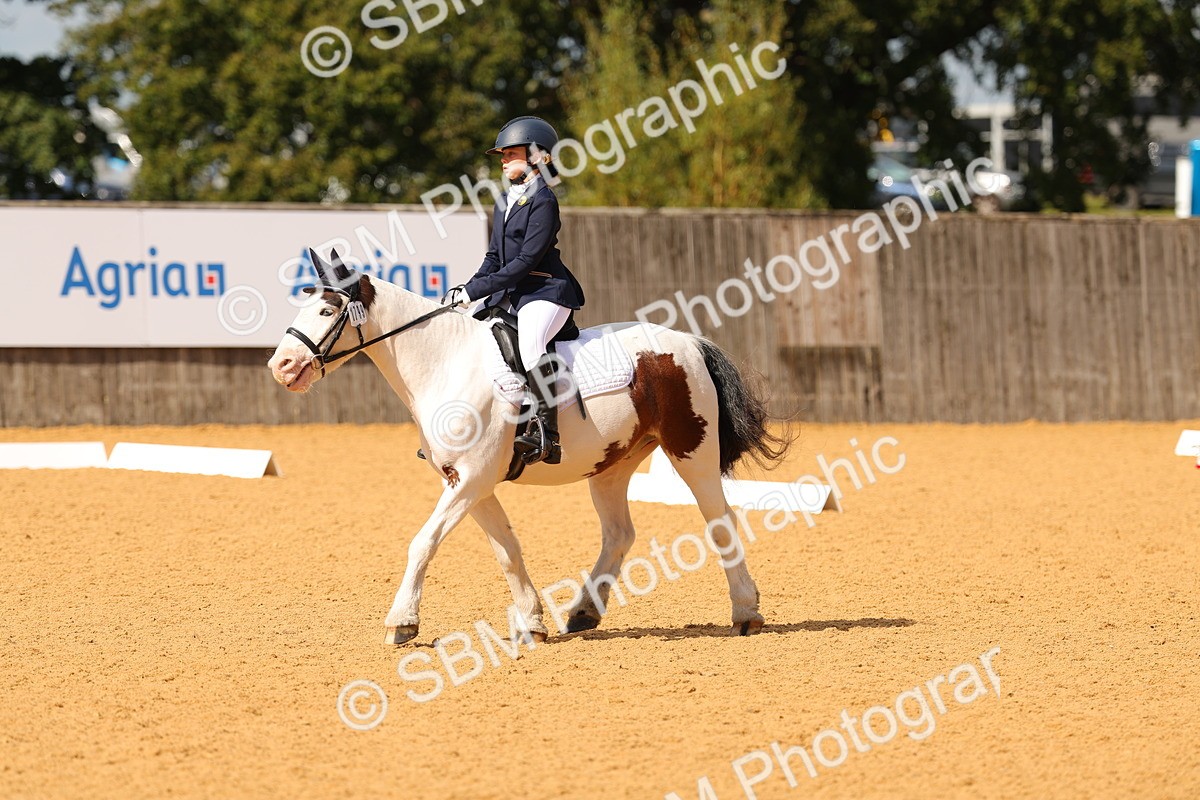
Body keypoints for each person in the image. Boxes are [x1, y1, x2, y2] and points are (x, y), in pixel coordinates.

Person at [441, 116, 585, 465]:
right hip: (511, 292)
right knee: (468, 336)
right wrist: (468, 289)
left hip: (545, 291)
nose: (503, 160)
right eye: (502, 155)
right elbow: (494, 256)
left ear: (537, 156)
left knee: (532, 345)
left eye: (511, 154)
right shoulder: (504, 201)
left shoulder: (544, 200)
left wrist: (476, 291)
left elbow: (524, 261)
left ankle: (547, 436)